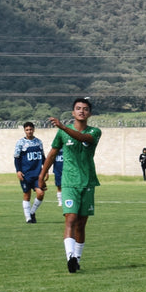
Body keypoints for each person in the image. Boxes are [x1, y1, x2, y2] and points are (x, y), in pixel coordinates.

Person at [39, 97, 100, 273]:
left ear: (89, 113)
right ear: (73, 112)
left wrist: (63, 127)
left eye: (85, 109)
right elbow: (51, 154)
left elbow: (82, 138)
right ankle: (70, 258)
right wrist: (42, 175)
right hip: (69, 182)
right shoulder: (62, 133)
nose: (82, 111)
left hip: (87, 182)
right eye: (78, 108)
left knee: (81, 224)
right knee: (70, 219)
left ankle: (77, 259)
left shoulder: (95, 132)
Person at [13, 121, 46, 223]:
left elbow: (43, 157)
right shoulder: (20, 143)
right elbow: (17, 158)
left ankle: (32, 212)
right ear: (24, 131)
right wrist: (18, 171)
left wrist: (45, 170)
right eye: (27, 130)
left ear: (34, 129)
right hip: (25, 174)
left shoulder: (39, 142)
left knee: (40, 193)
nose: (29, 131)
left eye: (30, 129)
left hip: (37, 174)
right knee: (27, 195)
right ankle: (28, 218)